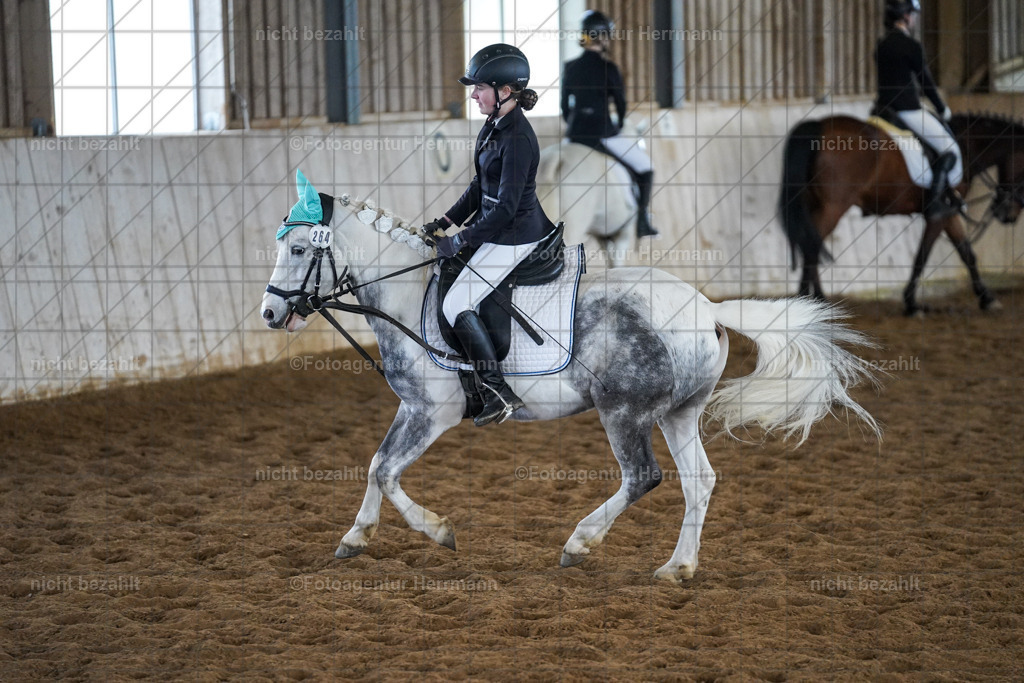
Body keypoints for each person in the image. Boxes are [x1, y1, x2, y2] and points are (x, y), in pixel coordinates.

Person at [422, 43, 556, 427]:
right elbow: (480, 187)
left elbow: (506, 208)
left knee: (454, 304)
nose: (474, 94)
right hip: (498, 229)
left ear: (506, 91)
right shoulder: (493, 125)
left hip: (516, 235)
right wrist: (446, 221)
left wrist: (461, 241)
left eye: (480, 87)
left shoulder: (517, 138)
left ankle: (498, 392)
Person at [560, 9, 658, 238]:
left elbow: (565, 106)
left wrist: (573, 123)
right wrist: (621, 122)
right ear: (603, 37)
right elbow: (621, 103)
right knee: (646, 168)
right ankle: (642, 221)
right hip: (603, 133)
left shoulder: (570, 67)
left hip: (574, 135)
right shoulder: (610, 68)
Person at [875, 0, 963, 220]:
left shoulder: (881, 45)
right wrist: (942, 109)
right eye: (912, 15)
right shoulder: (912, 46)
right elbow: (926, 83)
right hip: (907, 110)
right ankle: (934, 204)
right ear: (905, 16)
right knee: (949, 149)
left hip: (882, 110)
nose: (914, 19)